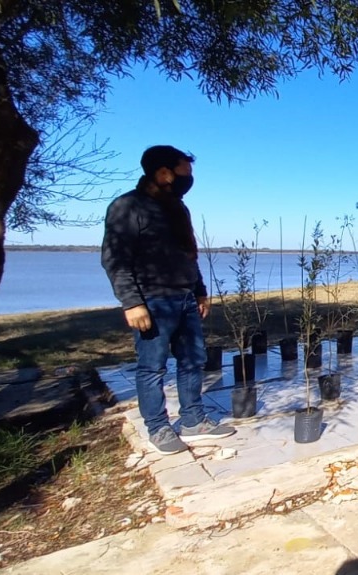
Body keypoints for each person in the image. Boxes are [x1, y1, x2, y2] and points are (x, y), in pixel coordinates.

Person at [102, 145, 235, 454]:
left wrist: (199, 290)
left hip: (186, 298)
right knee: (152, 366)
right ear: (163, 173)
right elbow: (115, 259)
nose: (189, 179)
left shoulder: (177, 207)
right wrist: (131, 302)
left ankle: (193, 420)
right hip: (152, 300)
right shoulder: (127, 207)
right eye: (185, 173)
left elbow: (189, 254)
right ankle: (159, 428)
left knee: (193, 360)